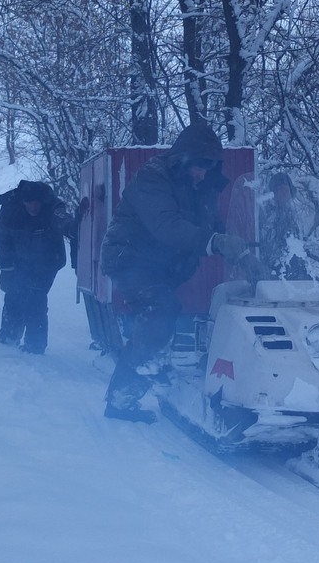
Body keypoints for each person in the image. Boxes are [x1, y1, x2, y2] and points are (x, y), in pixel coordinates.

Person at [99, 122, 259, 422]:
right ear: (182, 158)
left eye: (207, 168)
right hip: (129, 258)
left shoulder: (200, 185)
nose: (201, 173)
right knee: (161, 309)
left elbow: (213, 228)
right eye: (198, 166)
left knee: (164, 319)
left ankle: (153, 370)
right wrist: (216, 242)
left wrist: (242, 253)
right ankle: (122, 398)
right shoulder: (152, 177)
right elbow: (166, 226)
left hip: (161, 264)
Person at [0, 180, 71, 354]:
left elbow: (62, 219)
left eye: (36, 203)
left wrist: (71, 228)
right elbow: (2, 239)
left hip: (48, 261)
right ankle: (9, 334)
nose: (33, 207)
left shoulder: (52, 207)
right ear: (22, 201)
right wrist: (6, 269)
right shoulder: (9, 210)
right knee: (13, 293)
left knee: (35, 298)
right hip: (18, 260)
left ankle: (35, 345)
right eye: (29, 203)